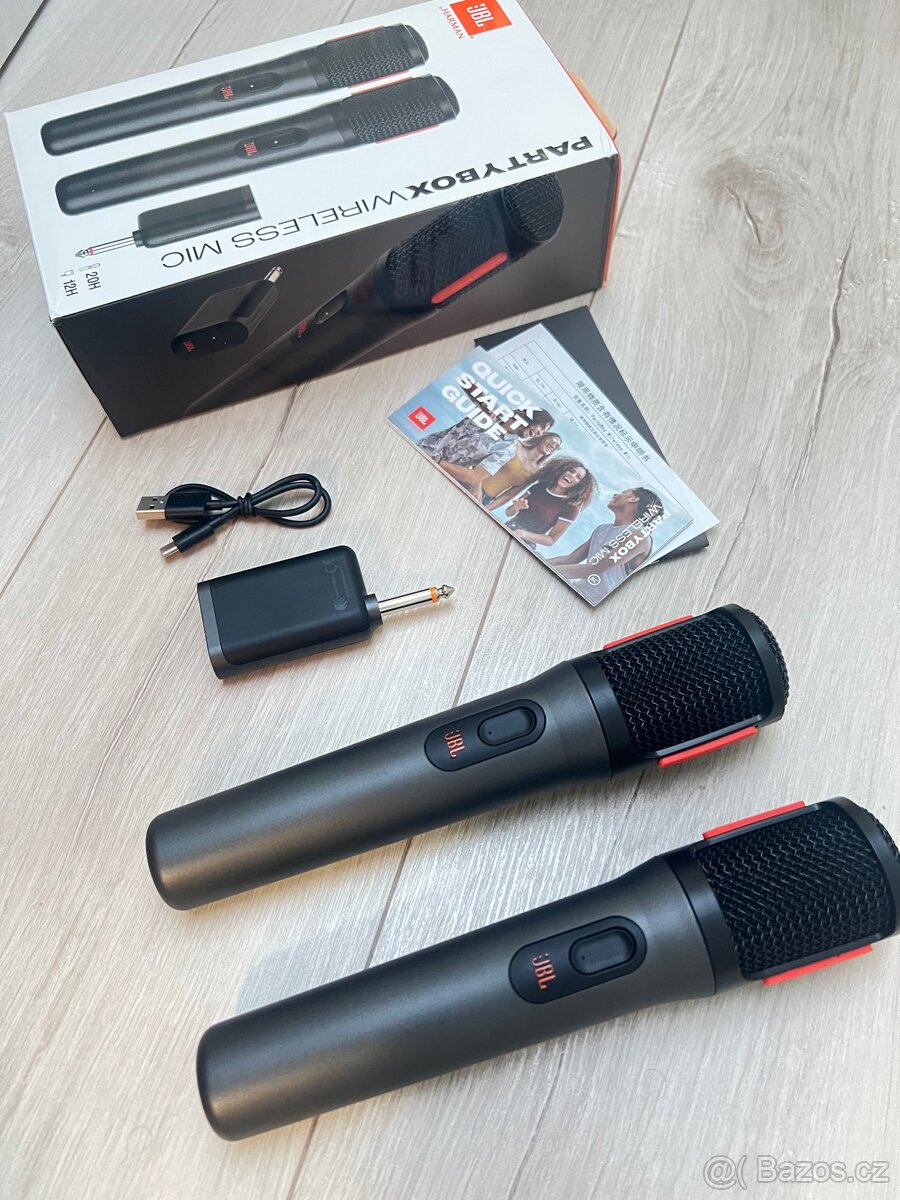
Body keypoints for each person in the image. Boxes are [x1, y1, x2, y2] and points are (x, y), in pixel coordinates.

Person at [548, 487, 665, 602]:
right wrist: (543, 564)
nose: (615, 494)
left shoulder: (639, 536)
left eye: (623, 492)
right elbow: (571, 559)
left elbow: (596, 568)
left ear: (633, 499)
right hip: (580, 592)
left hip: (602, 603)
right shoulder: (601, 529)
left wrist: (548, 571)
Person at [418, 405, 555, 494]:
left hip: (437, 472)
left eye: (544, 432)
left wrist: (436, 461)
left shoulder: (508, 449)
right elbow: (469, 386)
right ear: (531, 416)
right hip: (419, 448)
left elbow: (475, 477)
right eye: (542, 427)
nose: (540, 433)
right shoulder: (495, 410)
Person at [494, 458, 596, 548]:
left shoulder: (571, 507)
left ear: (580, 485)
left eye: (578, 477)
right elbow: (508, 513)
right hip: (505, 529)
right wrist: (516, 507)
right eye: (571, 471)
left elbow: (551, 540)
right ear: (562, 470)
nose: (572, 475)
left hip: (524, 545)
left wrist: (523, 534)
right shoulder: (539, 487)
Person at [480, 433, 562, 503]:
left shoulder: (536, 472)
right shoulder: (516, 446)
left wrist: (488, 508)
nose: (553, 446)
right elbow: (484, 462)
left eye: (557, 446)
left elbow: (510, 494)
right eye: (553, 441)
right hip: (474, 482)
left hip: (485, 500)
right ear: (542, 438)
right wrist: (477, 485)